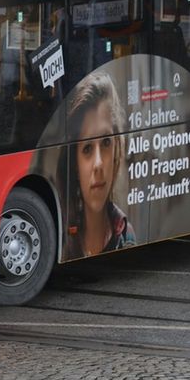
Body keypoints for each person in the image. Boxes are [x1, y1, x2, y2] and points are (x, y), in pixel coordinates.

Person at [63, 71, 135, 258]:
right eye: (87, 149)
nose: (98, 164)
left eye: (105, 143)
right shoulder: (63, 243)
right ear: (75, 165)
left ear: (116, 150)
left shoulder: (127, 235)